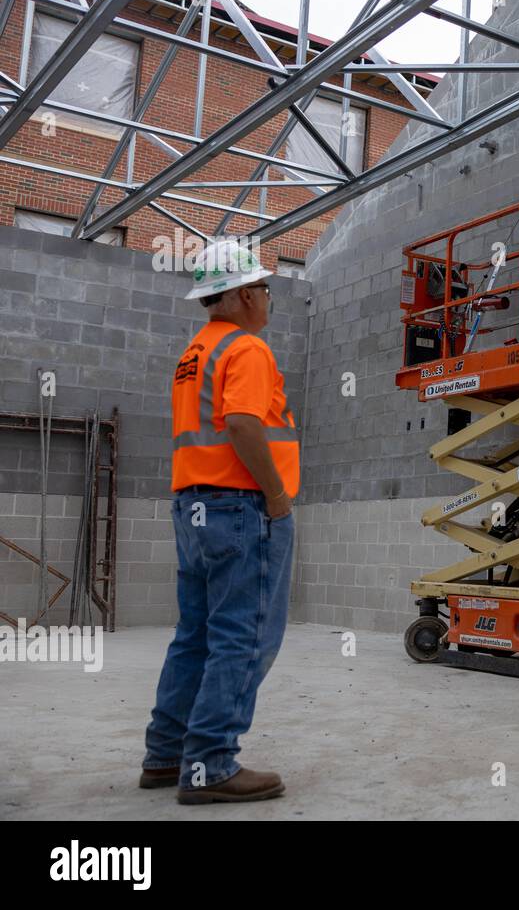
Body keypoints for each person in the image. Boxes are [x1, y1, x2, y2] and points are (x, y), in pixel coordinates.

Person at [141, 241, 298, 804]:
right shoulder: (247, 348)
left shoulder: (194, 353)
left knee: (197, 635)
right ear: (234, 296)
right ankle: (208, 764)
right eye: (259, 288)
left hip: (195, 506)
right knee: (244, 636)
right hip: (242, 507)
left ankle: (167, 754)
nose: (267, 298)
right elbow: (243, 424)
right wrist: (277, 497)